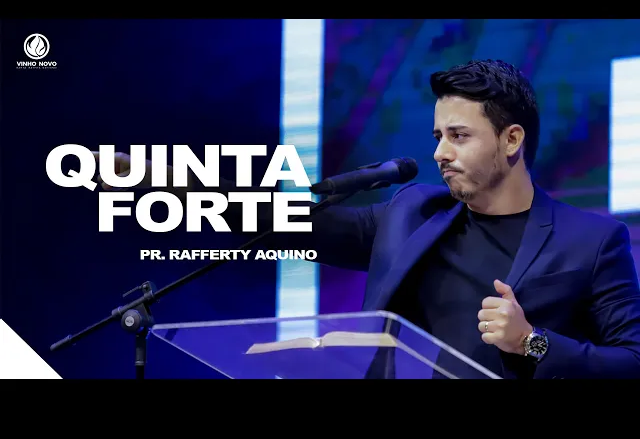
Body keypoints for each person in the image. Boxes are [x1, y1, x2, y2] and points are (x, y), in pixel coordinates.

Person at [94, 59, 640, 379]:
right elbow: (288, 222)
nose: (440, 152)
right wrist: (169, 180)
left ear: (512, 139)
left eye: (459, 136)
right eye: (438, 136)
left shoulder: (593, 240)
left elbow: (631, 362)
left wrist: (531, 342)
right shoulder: (413, 213)